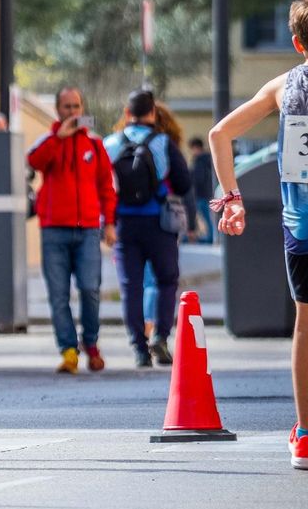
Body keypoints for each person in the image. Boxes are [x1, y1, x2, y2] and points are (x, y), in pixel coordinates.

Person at [207, 0, 308, 471]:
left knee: (307, 324)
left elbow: (219, 133)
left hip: (303, 228)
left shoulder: (282, 86)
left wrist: (232, 199)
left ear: (296, 42)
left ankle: (306, 436)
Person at [28, 86, 116, 374]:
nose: (72, 112)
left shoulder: (95, 145)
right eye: (66, 107)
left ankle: (91, 343)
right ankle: (68, 350)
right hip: (54, 230)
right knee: (58, 294)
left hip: (87, 230)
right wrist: (59, 137)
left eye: (76, 106)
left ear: (82, 108)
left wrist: (110, 223)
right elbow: (34, 161)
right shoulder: (49, 141)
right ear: (58, 110)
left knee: (90, 289)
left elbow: (106, 187)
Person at [104, 88, 192, 369]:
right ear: (152, 113)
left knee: (131, 287)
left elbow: (102, 186)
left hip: (124, 225)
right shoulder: (163, 142)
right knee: (166, 280)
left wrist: (107, 223)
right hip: (159, 224)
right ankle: (160, 337)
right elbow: (184, 183)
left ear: (127, 113)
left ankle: (138, 348)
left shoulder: (110, 143)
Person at [189, 136, 216, 245]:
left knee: (206, 216)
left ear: (196, 147)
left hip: (200, 193)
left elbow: (198, 177)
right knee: (207, 216)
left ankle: (210, 237)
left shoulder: (200, 160)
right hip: (206, 192)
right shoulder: (207, 159)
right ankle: (210, 236)